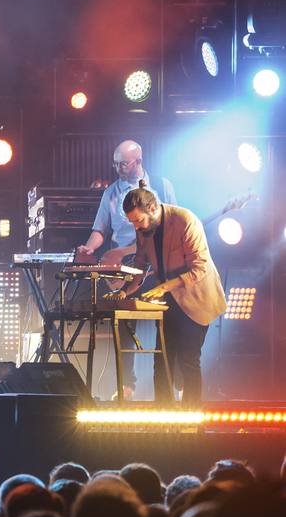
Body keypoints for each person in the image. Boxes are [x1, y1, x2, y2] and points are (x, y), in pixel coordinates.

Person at [76, 139, 176, 400]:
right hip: (123, 264)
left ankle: (169, 382)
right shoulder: (110, 193)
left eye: (124, 163)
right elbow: (100, 230)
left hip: (157, 262)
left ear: (139, 161)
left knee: (166, 319)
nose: (119, 168)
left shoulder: (162, 187)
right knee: (123, 322)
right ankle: (127, 384)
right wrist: (89, 249)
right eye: (116, 163)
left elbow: (173, 223)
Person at [112, 182, 226, 405]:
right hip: (170, 301)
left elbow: (200, 268)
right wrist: (123, 292)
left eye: (138, 221)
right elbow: (140, 266)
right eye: (132, 222)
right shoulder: (144, 230)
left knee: (188, 359)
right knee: (161, 359)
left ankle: (191, 418)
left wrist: (163, 287)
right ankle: (162, 416)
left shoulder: (185, 220)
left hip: (197, 299)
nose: (136, 227)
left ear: (153, 209)